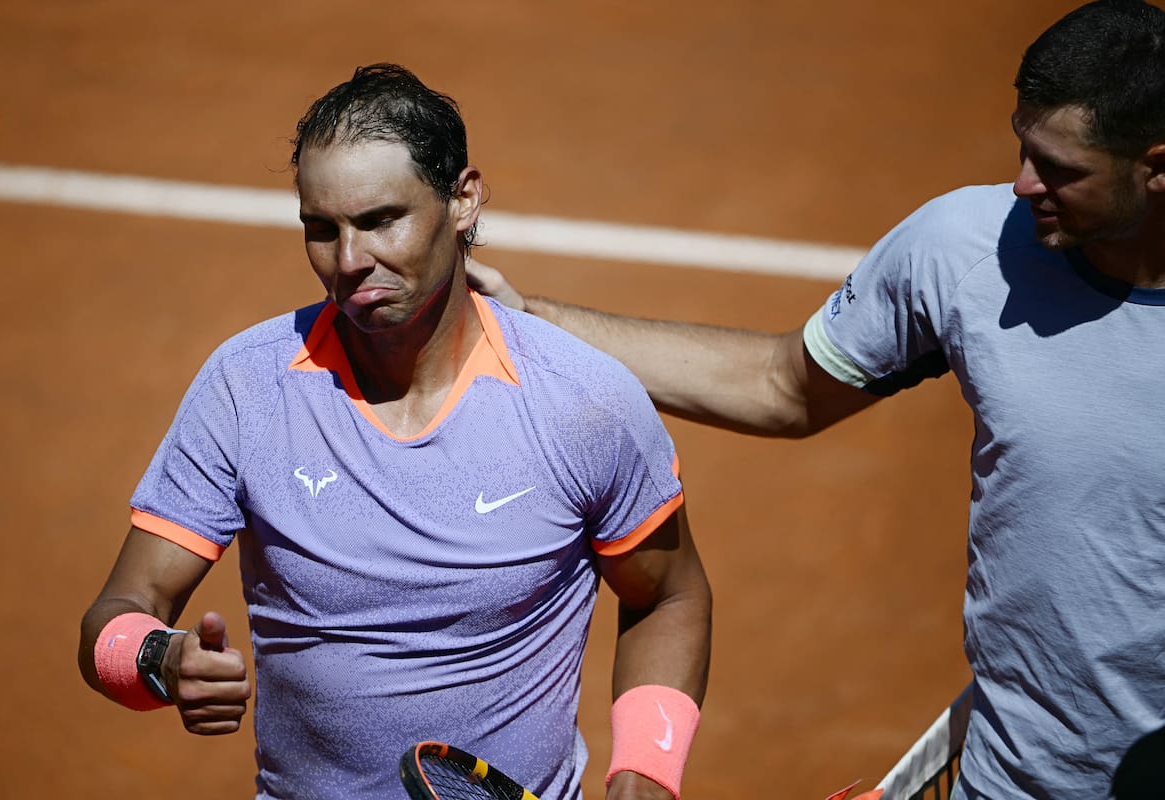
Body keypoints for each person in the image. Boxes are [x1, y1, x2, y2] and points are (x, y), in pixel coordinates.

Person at [467, 2, 1165, 797]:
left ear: (1156, 166)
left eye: (1061, 169)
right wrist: (536, 324)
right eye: (1022, 146)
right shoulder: (966, 249)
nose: (1023, 183)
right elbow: (784, 385)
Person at [77, 63, 712, 800]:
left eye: (381, 221)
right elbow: (118, 615)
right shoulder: (247, 387)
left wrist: (646, 772)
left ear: (463, 200)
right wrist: (159, 661)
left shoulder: (582, 402)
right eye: (322, 229)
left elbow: (669, 596)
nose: (349, 262)